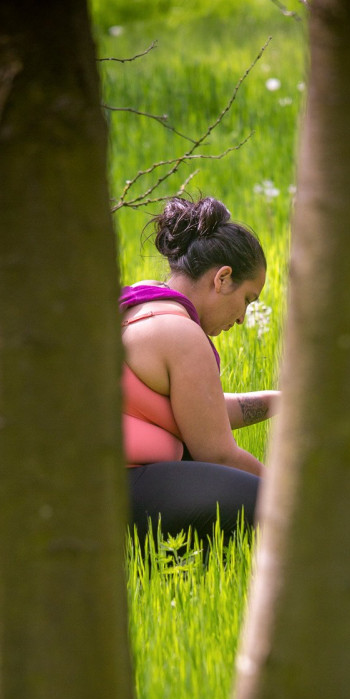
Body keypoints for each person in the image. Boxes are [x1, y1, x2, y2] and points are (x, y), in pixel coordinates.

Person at [122, 195, 279, 544]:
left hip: (87, 488)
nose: (241, 318)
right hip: (116, 491)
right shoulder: (181, 333)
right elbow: (217, 451)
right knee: (268, 503)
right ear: (223, 278)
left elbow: (201, 412)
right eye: (248, 300)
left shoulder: (143, 304)